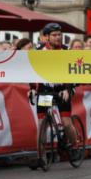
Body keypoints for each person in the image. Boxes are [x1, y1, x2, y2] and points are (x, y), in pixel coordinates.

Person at [30, 23, 80, 164]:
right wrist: (33, 88)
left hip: (61, 90)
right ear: (46, 37)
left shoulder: (66, 51)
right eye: (54, 35)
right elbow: (31, 71)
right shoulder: (38, 52)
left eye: (59, 35)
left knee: (65, 122)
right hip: (46, 91)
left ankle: (75, 146)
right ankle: (41, 156)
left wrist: (68, 89)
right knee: (42, 125)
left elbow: (72, 72)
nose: (58, 37)